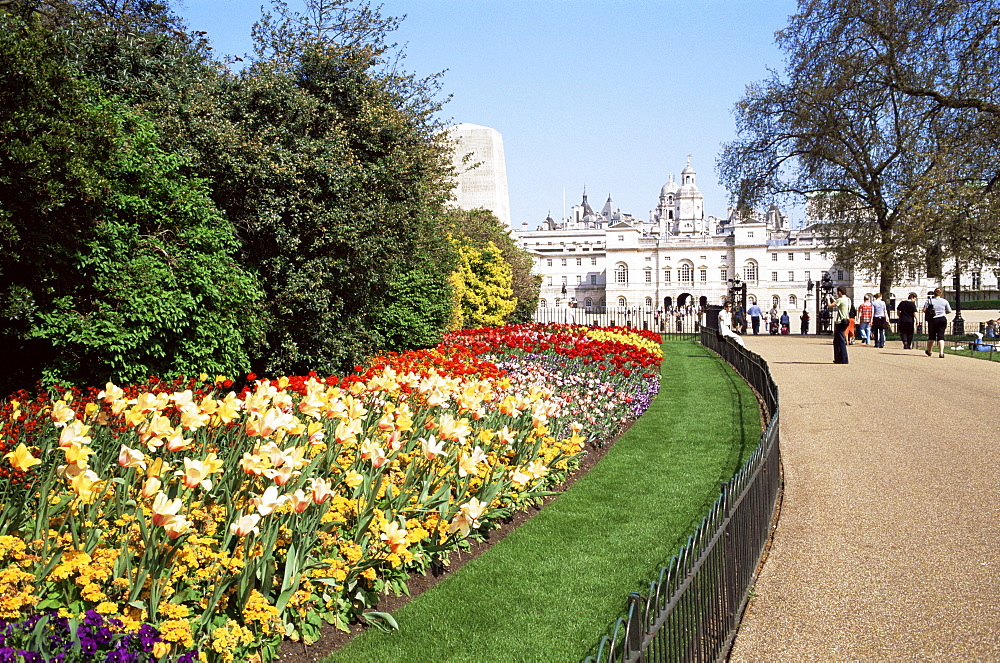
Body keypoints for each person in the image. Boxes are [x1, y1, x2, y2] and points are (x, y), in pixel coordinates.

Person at [923, 287, 952, 358]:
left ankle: (929, 351)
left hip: (932, 319)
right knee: (941, 336)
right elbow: (949, 310)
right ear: (941, 294)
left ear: (934, 293)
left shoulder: (929, 301)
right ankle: (941, 353)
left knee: (932, 336)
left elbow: (924, 310)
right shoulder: (944, 301)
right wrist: (942, 312)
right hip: (942, 319)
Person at [828, 287, 851, 364]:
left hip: (840, 321)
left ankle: (842, 359)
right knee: (838, 340)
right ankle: (839, 358)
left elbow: (830, 306)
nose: (837, 293)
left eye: (838, 292)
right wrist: (833, 298)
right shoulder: (848, 299)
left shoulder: (840, 299)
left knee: (839, 341)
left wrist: (828, 299)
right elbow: (839, 305)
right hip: (846, 320)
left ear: (840, 292)